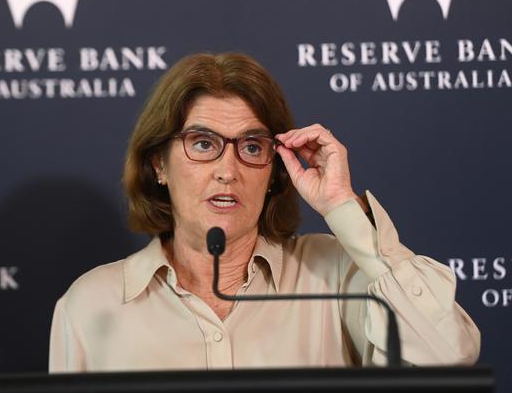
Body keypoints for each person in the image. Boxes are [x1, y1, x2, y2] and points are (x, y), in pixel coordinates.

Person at [49, 52, 480, 371]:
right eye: (203, 144)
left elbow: (447, 355)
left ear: (275, 171)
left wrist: (341, 205)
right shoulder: (90, 304)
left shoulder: (334, 274)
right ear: (159, 164)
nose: (227, 171)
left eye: (252, 147)